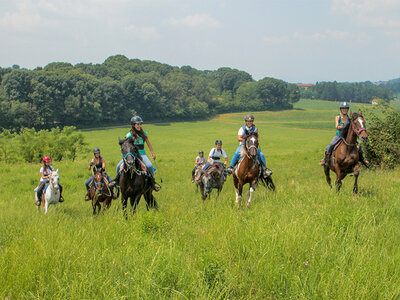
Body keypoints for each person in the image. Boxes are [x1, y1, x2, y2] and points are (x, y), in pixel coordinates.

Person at [114, 116, 161, 192]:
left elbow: (149, 144)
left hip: (142, 154)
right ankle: (117, 182)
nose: (139, 126)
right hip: (131, 155)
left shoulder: (144, 134)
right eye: (137, 124)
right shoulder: (128, 135)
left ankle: (153, 183)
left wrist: (152, 153)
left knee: (149, 166)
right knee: (118, 166)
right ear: (133, 125)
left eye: (140, 124)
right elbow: (125, 145)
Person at [319, 102, 369, 166]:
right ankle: (326, 159)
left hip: (347, 135)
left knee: (358, 145)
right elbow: (336, 126)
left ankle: (362, 159)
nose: (344, 110)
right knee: (331, 144)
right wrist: (340, 127)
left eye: (346, 109)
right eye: (343, 109)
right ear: (341, 109)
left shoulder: (349, 118)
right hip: (339, 135)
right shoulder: (338, 117)